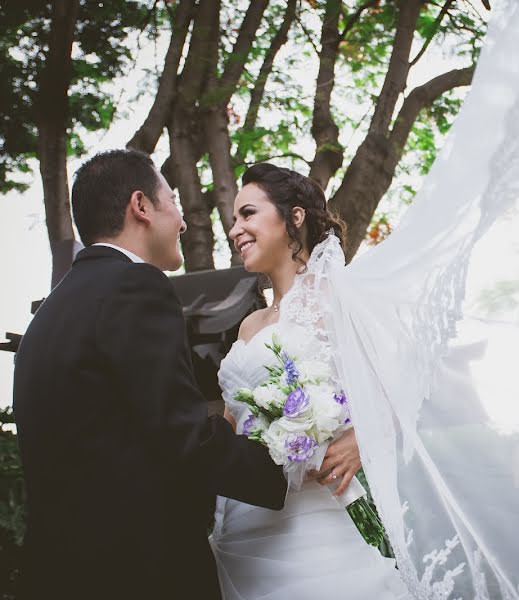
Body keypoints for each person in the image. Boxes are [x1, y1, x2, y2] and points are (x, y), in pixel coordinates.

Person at [12, 150, 288, 600]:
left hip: (57, 569)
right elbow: (179, 432)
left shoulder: (52, 312)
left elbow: (119, 430)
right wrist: (282, 472)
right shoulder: (134, 286)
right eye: (173, 202)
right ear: (141, 207)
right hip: (137, 571)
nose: (182, 222)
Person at [211, 163, 410, 599]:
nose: (235, 230)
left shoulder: (340, 301)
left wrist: (364, 437)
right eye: (232, 220)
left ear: (294, 217)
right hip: (240, 522)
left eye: (247, 214)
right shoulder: (248, 326)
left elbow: (406, 383)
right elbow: (228, 423)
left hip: (312, 522)